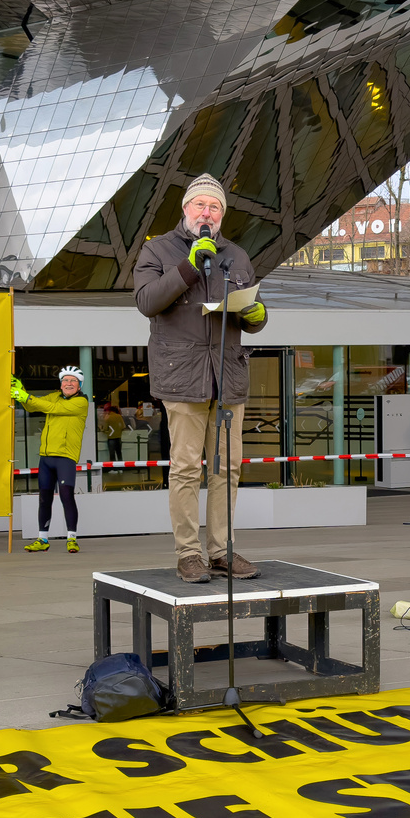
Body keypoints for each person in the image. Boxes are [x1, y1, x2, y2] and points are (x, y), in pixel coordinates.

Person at [134, 173, 269, 583]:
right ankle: (189, 554)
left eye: (214, 207)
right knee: (187, 468)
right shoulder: (157, 250)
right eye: (200, 205)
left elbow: (250, 308)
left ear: (222, 215)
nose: (206, 213)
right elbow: (147, 301)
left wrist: (257, 315)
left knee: (227, 469)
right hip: (183, 377)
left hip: (227, 377)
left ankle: (222, 551)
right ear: (186, 209)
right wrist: (189, 266)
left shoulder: (237, 255)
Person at [14, 366, 90, 553]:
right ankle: (42, 539)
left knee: (66, 496)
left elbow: (53, 408)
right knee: (44, 499)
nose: (68, 383)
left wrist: (25, 396)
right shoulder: (54, 396)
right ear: (61, 384)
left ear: (79, 385)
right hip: (46, 457)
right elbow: (33, 406)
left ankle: (71, 538)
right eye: (65, 380)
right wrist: (21, 392)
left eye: (73, 381)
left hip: (65, 457)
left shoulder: (81, 402)